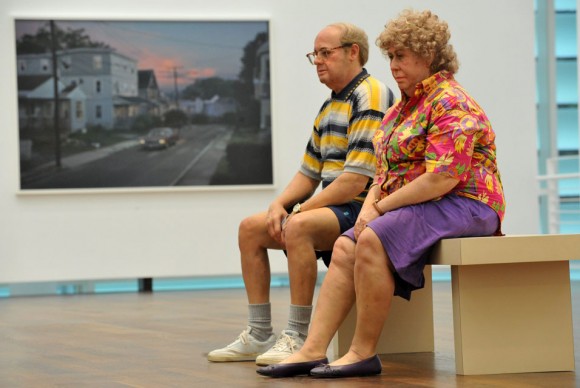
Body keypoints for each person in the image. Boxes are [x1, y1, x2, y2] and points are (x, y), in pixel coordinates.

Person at [257, 8, 506, 378]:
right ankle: (311, 348)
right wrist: (370, 207)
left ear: (428, 55)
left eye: (401, 56)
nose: (393, 65)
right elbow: (382, 173)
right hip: (422, 203)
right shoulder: (400, 110)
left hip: (468, 204)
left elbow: (443, 178)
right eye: (390, 56)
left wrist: (381, 209)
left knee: (372, 237)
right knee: (346, 244)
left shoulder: (450, 102)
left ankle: (362, 352)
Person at [207, 22, 392, 366]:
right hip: (335, 206)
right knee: (250, 228)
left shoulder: (372, 94)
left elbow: (355, 182)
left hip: (362, 208)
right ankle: (260, 332)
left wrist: (301, 211)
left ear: (354, 52)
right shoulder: (330, 105)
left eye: (326, 52)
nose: (318, 61)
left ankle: (296, 337)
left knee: (299, 226)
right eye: (315, 55)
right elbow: (309, 172)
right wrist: (279, 204)